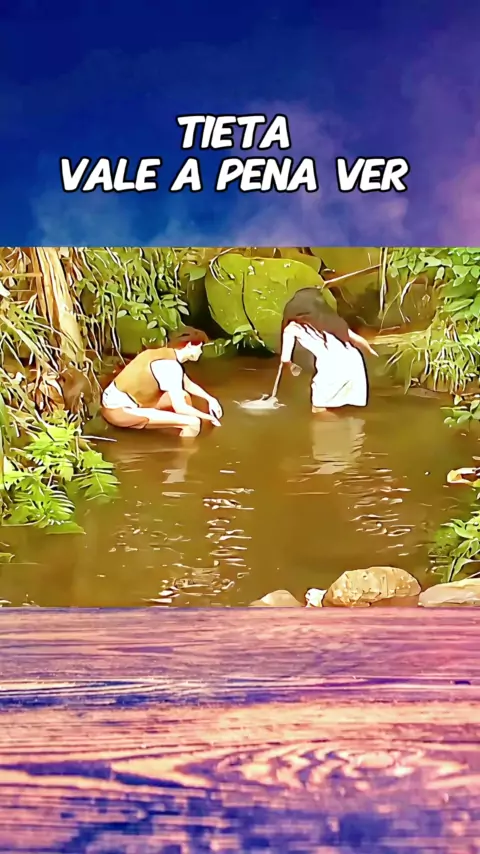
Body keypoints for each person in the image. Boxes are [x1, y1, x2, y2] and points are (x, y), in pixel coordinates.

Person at [101, 328, 223, 437]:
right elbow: (180, 408)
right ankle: (185, 452)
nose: (201, 352)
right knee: (193, 422)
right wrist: (207, 418)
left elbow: (187, 384)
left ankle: (174, 429)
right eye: (200, 347)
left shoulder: (165, 354)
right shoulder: (171, 366)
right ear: (190, 345)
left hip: (122, 400)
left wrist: (210, 399)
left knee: (183, 396)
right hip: (118, 411)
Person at [280, 288, 377, 413]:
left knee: (319, 409)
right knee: (346, 408)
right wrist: (370, 352)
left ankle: (333, 424)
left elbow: (285, 359)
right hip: (355, 362)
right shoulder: (329, 321)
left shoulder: (291, 328)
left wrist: (291, 367)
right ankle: (352, 425)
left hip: (331, 366)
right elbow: (358, 340)